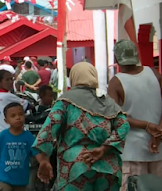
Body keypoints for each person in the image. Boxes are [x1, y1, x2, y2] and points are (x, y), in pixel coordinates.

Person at [34, 62, 130, 191]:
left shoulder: (65, 101)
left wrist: (44, 159)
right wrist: (104, 148)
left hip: (76, 165)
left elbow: (48, 129)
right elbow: (124, 126)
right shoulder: (107, 102)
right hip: (107, 167)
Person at [107, 39, 162, 191]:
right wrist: (159, 131)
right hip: (159, 148)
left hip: (132, 151)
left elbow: (116, 117)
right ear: (136, 56)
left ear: (117, 59)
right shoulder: (154, 74)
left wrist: (146, 126)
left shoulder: (116, 82)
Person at [0, 102, 40, 191]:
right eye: (13, 116)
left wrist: (43, 162)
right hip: (4, 180)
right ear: (6, 120)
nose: (18, 117)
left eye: (20, 114)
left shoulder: (28, 136)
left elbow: (36, 152)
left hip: (22, 181)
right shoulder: (3, 136)